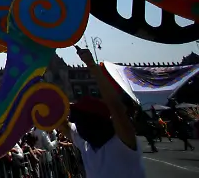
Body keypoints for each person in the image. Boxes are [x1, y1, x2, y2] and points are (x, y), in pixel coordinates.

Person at [59, 45, 146, 178]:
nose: (78, 123)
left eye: (81, 119)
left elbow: (115, 106)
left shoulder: (122, 140)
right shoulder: (85, 142)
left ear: (96, 120)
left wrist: (92, 66)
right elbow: (61, 124)